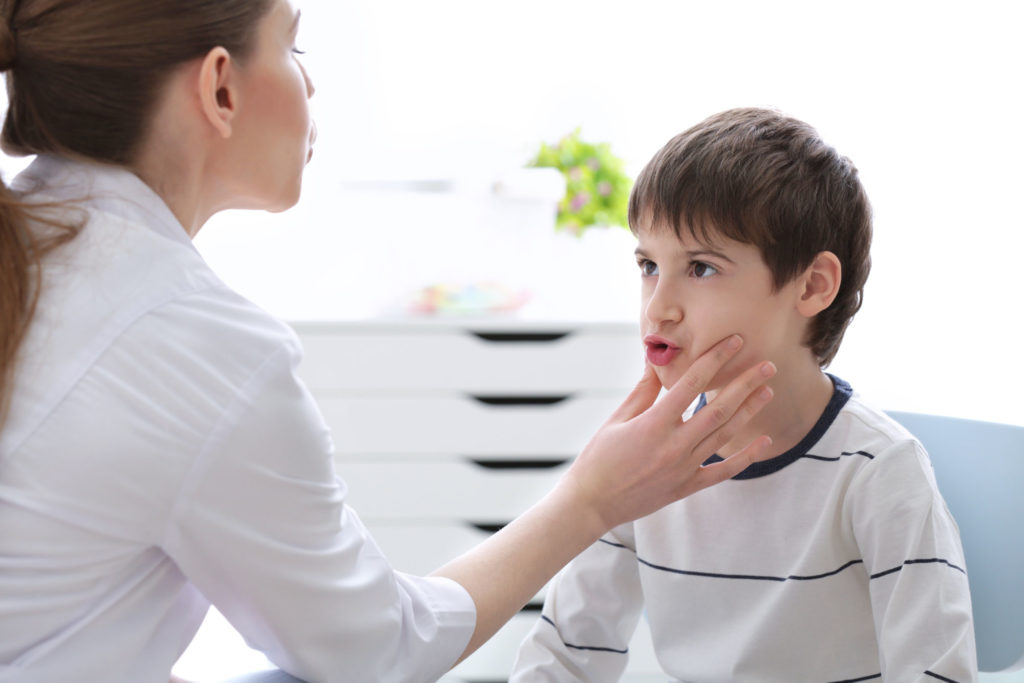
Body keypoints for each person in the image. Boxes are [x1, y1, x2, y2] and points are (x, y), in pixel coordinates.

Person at [0, 2, 779, 681]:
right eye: (294, 46)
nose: (311, 82)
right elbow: (378, 651)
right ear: (220, 86)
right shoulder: (196, 348)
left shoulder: (45, 259)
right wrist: (590, 499)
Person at [510, 108, 977, 682]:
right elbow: (564, 658)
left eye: (701, 268)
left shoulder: (880, 471)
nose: (659, 307)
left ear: (812, 286)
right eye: (649, 265)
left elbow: (936, 672)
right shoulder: (643, 466)